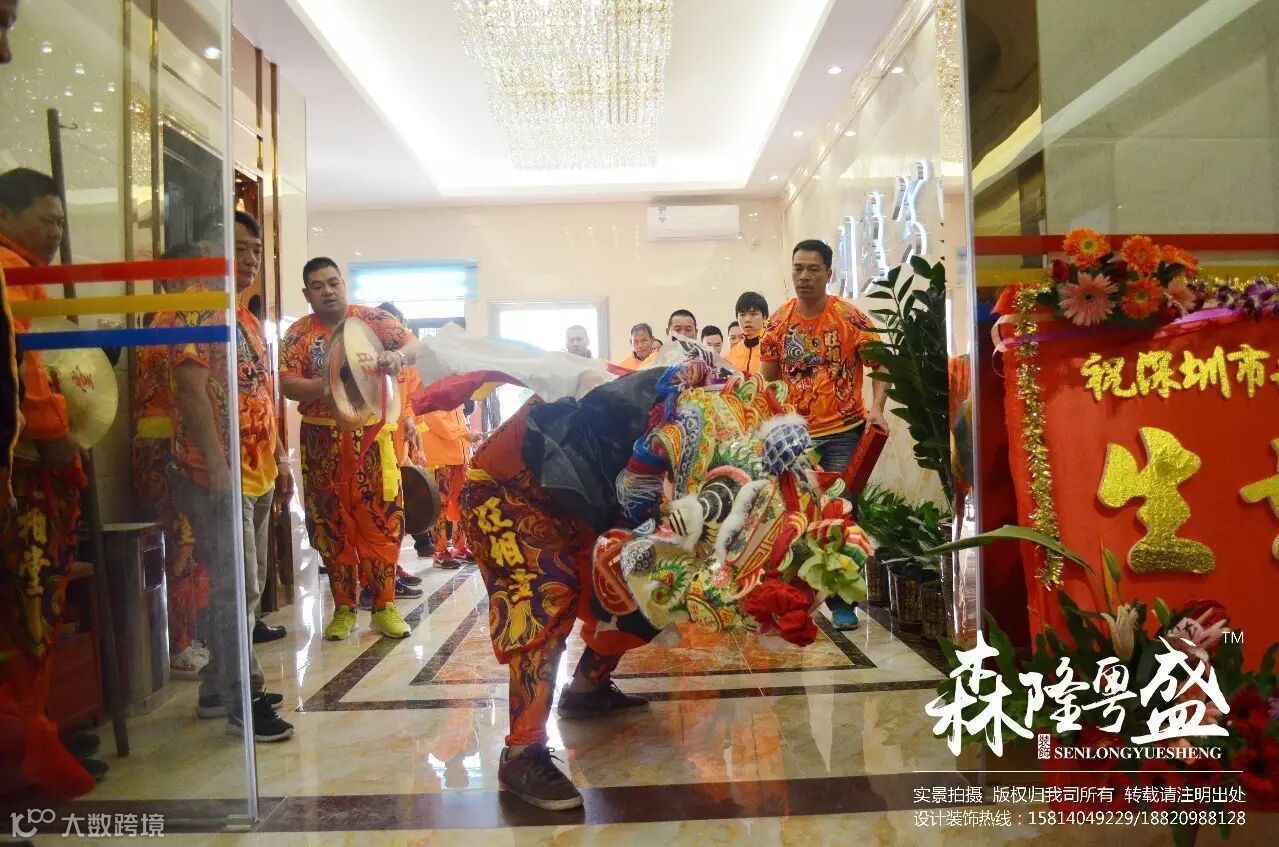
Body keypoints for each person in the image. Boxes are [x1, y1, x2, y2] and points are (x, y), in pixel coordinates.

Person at [170, 210, 294, 741]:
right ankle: (247, 697)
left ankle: (217, 688)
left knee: (249, 584)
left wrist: (281, 458)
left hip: (257, 471)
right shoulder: (195, 308)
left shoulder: (245, 316)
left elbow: (260, 392)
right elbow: (189, 390)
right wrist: (217, 466)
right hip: (217, 475)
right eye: (239, 248)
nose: (249, 259)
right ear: (209, 248)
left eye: (255, 250)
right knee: (235, 588)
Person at [0, 166, 101, 794]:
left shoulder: (27, 276)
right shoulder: (9, 273)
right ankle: (26, 748)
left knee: (34, 608)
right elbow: (26, 381)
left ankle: (39, 728)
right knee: (28, 607)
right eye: (47, 219)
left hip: (38, 467)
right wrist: (57, 432)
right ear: (5, 216)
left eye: (62, 222)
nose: (57, 233)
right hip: (29, 471)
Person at [280, 257, 421, 641]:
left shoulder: (371, 320)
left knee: (381, 520)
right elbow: (288, 384)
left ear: (344, 284)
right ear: (307, 293)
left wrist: (397, 356)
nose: (327, 291)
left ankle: (385, 606)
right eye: (318, 286)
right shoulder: (298, 333)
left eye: (333, 283)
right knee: (331, 522)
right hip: (321, 440)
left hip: (371, 438)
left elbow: (412, 345)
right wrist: (329, 386)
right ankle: (344, 609)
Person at [760, 240, 889, 630]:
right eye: (798, 268)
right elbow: (769, 382)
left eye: (813, 269)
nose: (804, 276)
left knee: (841, 513)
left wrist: (877, 408)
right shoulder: (778, 322)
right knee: (795, 517)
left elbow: (882, 367)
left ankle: (842, 600)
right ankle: (794, 597)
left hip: (845, 434)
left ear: (829, 274)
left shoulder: (850, 318)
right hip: (796, 441)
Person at [132, 244, 209, 680]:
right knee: (183, 544)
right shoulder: (180, 322)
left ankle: (187, 637)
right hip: (171, 450)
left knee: (184, 543)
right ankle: (180, 643)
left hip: (159, 445)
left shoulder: (163, 320)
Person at [420, 403, 481, 568]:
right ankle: (440, 552)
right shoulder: (433, 391)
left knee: (462, 502)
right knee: (440, 505)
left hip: (460, 455)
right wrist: (464, 433)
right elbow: (434, 419)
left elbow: (458, 421)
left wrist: (467, 434)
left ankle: (460, 546)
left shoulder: (455, 395)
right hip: (440, 457)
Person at [724, 291, 769, 377]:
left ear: (764, 317)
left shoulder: (772, 348)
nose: (747, 319)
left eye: (753, 314)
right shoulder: (730, 356)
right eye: (742, 314)